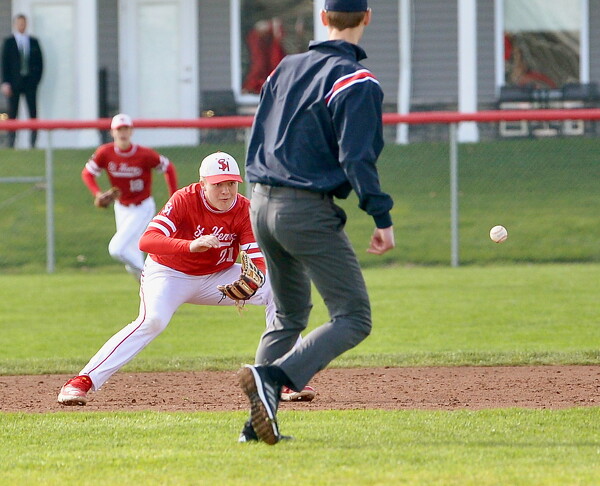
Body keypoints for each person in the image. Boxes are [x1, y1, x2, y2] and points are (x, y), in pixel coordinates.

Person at [239, 0, 395, 445]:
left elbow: (257, 136)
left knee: (288, 316)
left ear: (323, 19)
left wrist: (258, 195)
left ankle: (256, 426)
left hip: (260, 200)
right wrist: (380, 215)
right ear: (367, 18)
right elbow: (357, 158)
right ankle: (273, 378)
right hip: (303, 210)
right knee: (353, 317)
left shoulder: (286, 67)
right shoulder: (356, 80)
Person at [58, 152, 315, 421]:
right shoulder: (185, 199)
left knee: (278, 289)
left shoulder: (243, 209)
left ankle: (288, 378)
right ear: (203, 183)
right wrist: (190, 245)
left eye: (231, 183)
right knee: (152, 320)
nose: (226, 191)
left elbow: (256, 255)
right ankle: (83, 381)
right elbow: (147, 240)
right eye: (218, 184)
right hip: (169, 273)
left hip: (217, 276)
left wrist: (256, 278)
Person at [81, 113, 178, 281]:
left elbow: (168, 167)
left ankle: (154, 278)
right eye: (119, 129)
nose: (123, 133)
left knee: (117, 249)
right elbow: (87, 173)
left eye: (126, 129)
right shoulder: (105, 152)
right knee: (129, 257)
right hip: (121, 208)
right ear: (112, 132)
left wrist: (173, 197)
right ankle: (150, 290)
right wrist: (98, 193)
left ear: (132, 131)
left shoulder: (144, 154)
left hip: (142, 207)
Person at [1, 14, 44, 148]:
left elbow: (40, 63)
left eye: (23, 23)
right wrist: (5, 83)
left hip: (30, 83)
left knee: (33, 112)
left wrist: (35, 80)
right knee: (12, 113)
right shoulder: (9, 42)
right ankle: (11, 142)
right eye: (19, 23)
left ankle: (33, 142)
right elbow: (4, 64)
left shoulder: (33, 42)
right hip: (14, 83)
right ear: (15, 24)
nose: (21, 25)